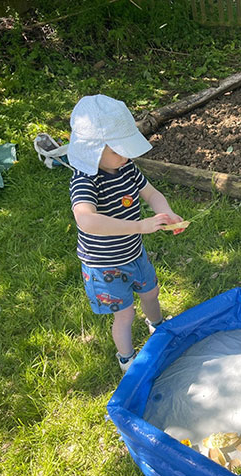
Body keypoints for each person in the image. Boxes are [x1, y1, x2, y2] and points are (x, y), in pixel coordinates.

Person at [68, 94, 185, 372]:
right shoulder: (86, 180)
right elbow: (87, 221)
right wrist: (139, 227)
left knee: (152, 292)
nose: (125, 156)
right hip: (104, 265)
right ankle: (127, 359)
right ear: (92, 150)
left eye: (125, 148)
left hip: (133, 253)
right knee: (125, 313)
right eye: (116, 150)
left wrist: (166, 212)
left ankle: (158, 328)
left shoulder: (126, 168)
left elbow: (151, 194)